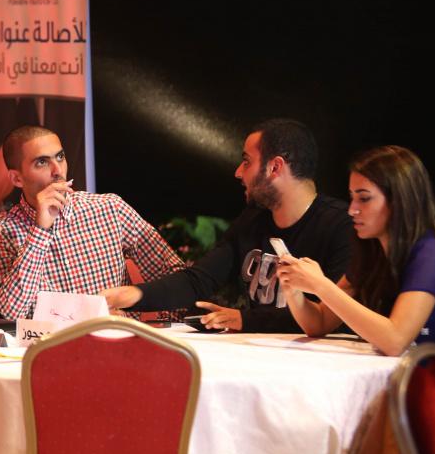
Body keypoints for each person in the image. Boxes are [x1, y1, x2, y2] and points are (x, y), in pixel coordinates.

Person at [276, 145, 435, 454]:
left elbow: (394, 339)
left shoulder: (433, 253)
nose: (352, 210)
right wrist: (295, 290)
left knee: (326, 446)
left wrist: (321, 285)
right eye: (352, 197)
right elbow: (320, 323)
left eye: (364, 198)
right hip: (407, 406)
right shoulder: (371, 252)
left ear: (399, 201)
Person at [103, 118, 353, 332]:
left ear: (275, 167)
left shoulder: (342, 227)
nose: (238, 172)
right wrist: (132, 295)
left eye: (247, 161)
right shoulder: (253, 218)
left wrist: (244, 319)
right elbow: (199, 280)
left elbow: (331, 318)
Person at [0, 125, 183, 320]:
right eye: (42, 162)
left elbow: (174, 276)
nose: (57, 170)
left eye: (60, 157)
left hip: (116, 336)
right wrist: (40, 231)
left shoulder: (109, 208)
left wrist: (167, 324)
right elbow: (12, 312)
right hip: (49, 340)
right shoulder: (1, 232)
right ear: (17, 178)